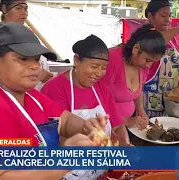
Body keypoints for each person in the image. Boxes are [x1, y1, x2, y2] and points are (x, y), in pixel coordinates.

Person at [0, 22, 108, 180]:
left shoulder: (30, 96)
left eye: (36, 59)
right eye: (23, 59)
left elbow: (64, 121)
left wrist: (87, 127)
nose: (34, 67)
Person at [41, 34, 130, 180]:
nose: (99, 73)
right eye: (94, 66)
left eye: (103, 68)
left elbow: (118, 126)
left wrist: (125, 145)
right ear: (76, 60)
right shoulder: (55, 88)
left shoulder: (101, 88)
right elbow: (55, 139)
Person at [101, 24, 166, 129]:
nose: (148, 65)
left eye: (152, 62)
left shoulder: (143, 64)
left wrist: (140, 109)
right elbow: (97, 101)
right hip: (106, 126)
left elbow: (138, 91)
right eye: (148, 60)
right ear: (136, 49)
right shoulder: (111, 61)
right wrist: (125, 121)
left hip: (127, 125)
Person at [143, 0, 179, 118]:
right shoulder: (146, 35)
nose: (168, 19)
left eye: (170, 16)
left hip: (170, 98)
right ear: (150, 16)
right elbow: (155, 43)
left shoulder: (172, 39)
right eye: (163, 15)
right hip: (149, 100)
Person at [0, 0, 54, 84]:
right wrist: (36, 73)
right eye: (18, 8)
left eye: (26, 9)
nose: (24, 13)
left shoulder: (27, 32)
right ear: (4, 9)